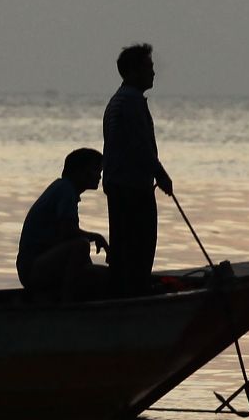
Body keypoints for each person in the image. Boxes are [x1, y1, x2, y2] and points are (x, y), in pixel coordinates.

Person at [102, 42, 173, 297]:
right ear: (132, 71)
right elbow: (141, 146)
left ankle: (126, 290)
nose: (153, 73)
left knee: (125, 246)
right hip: (131, 187)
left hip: (121, 184)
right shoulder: (129, 102)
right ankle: (133, 294)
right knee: (139, 246)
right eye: (148, 67)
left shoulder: (119, 100)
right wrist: (161, 175)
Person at [16, 147, 107, 301]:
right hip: (32, 269)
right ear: (79, 171)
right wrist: (97, 237)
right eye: (95, 170)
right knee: (81, 245)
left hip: (42, 264)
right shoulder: (66, 191)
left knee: (103, 275)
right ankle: (67, 301)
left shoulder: (64, 189)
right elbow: (68, 232)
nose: (99, 175)